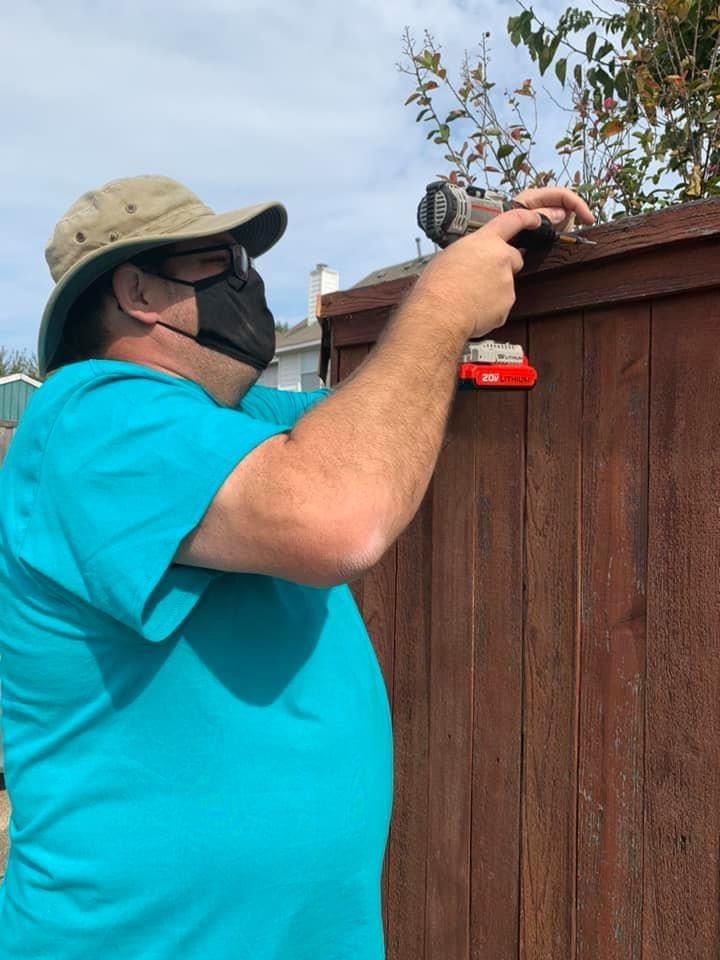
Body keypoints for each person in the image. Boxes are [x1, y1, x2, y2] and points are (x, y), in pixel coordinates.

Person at [0, 175, 593, 959]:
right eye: (224, 263)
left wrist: (497, 244)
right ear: (138, 289)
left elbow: (372, 413)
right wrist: (445, 303)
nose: (251, 281)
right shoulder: (89, 419)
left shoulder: (228, 419)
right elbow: (340, 515)